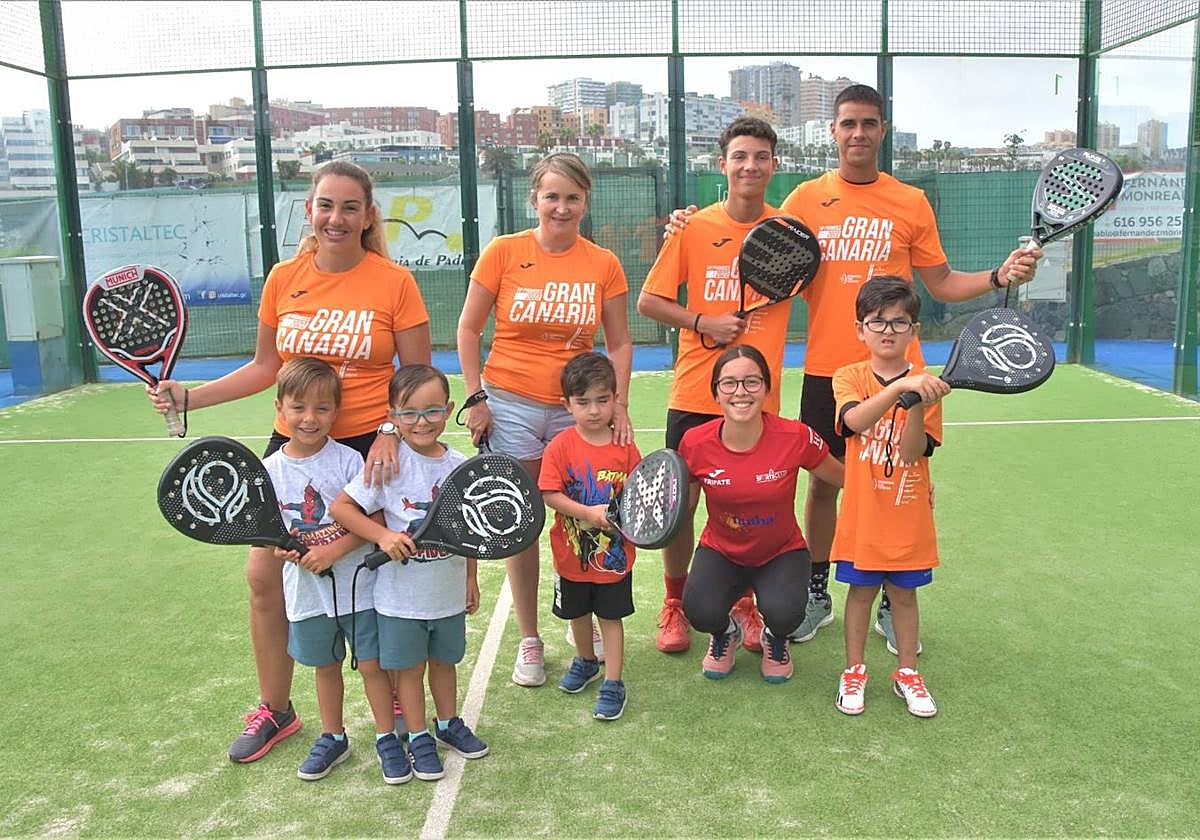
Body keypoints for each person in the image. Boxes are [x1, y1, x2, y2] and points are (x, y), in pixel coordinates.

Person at [669, 84, 1040, 654]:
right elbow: (753, 241)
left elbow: (940, 283)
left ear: (882, 130)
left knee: (902, 484)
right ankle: (816, 589)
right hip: (826, 371)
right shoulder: (803, 202)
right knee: (822, 485)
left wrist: (998, 275)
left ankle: (895, 599)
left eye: (869, 123)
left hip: (899, 377)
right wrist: (685, 224)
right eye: (848, 123)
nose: (858, 133)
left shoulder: (911, 202)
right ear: (833, 131)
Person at [147, 160, 431, 762]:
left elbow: (415, 378)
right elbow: (265, 368)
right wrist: (189, 396)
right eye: (326, 205)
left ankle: (397, 696)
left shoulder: (395, 282)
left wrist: (389, 429)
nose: (337, 217)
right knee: (264, 576)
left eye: (350, 207)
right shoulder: (284, 278)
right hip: (292, 449)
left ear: (367, 215)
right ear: (310, 210)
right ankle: (277, 709)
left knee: (375, 573)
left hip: (366, 449)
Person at [457, 153, 634, 688]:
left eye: (572, 197)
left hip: (575, 412)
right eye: (551, 196)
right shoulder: (504, 253)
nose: (561, 207)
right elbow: (468, 331)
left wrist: (618, 404)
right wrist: (475, 398)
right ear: (535, 199)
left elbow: (620, 341)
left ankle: (591, 621)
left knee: (580, 513)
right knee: (522, 521)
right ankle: (530, 638)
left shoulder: (603, 263)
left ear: (585, 202)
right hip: (508, 403)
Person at [637, 117, 790, 657]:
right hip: (694, 396)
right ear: (723, 164)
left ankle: (746, 605)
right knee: (681, 509)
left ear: (774, 165)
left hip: (755, 401)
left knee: (750, 507)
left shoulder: (788, 234)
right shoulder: (693, 228)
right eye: (740, 156)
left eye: (761, 157)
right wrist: (703, 322)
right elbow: (649, 302)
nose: (750, 166)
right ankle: (675, 603)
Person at [331, 364, 488, 783]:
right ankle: (417, 737)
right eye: (410, 413)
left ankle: (447, 724)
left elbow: (468, 530)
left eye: (433, 411)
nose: (422, 422)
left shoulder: (458, 466)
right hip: (399, 601)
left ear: (449, 409)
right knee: (409, 672)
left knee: (445, 663)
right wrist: (382, 535)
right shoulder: (386, 464)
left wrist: (470, 578)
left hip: (447, 594)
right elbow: (341, 509)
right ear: (393, 415)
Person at [262, 358, 396, 781]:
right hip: (306, 593)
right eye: (298, 407)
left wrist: (332, 551)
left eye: (322, 408)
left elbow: (374, 524)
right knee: (325, 666)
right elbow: (270, 535)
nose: (309, 418)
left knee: (372, 665)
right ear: (279, 408)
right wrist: (283, 552)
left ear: (336, 413)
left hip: (358, 587)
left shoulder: (349, 462)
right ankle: (332, 736)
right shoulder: (268, 471)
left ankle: (387, 738)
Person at [678, 345, 844, 683]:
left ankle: (775, 638)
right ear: (716, 393)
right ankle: (725, 634)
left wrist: (902, 484)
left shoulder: (795, 436)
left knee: (787, 614)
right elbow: (680, 504)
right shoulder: (694, 442)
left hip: (780, 552)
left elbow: (845, 479)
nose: (741, 392)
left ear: (767, 389)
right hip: (722, 551)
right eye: (729, 383)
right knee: (698, 610)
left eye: (752, 382)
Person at [831, 276, 948, 718]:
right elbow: (855, 422)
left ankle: (907, 673)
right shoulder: (849, 376)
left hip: (908, 515)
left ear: (913, 331)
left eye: (899, 323)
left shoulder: (926, 388)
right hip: (863, 515)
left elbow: (913, 451)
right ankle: (854, 670)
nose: (888, 331)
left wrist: (916, 402)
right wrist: (899, 389)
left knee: (904, 596)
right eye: (877, 322)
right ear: (860, 329)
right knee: (859, 595)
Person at [538, 352, 641, 720]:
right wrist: (589, 514)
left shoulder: (625, 446)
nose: (594, 410)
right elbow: (549, 494)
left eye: (602, 400)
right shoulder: (560, 447)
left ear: (616, 398)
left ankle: (614, 681)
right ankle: (585, 660)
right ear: (567, 404)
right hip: (570, 555)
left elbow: (639, 493)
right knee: (577, 613)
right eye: (583, 402)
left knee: (610, 618)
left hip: (614, 558)